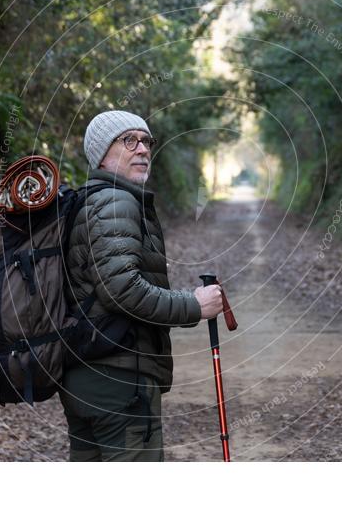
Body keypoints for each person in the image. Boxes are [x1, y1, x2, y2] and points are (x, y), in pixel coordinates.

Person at [61, 110, 223, 461]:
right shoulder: (115, 201)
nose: (142, 149)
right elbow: (122, 290)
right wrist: (194, 305)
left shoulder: (90, 199)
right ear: (102, 153)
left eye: (146, 141)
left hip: (87, 375)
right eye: (128, 140)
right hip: (119, 379)